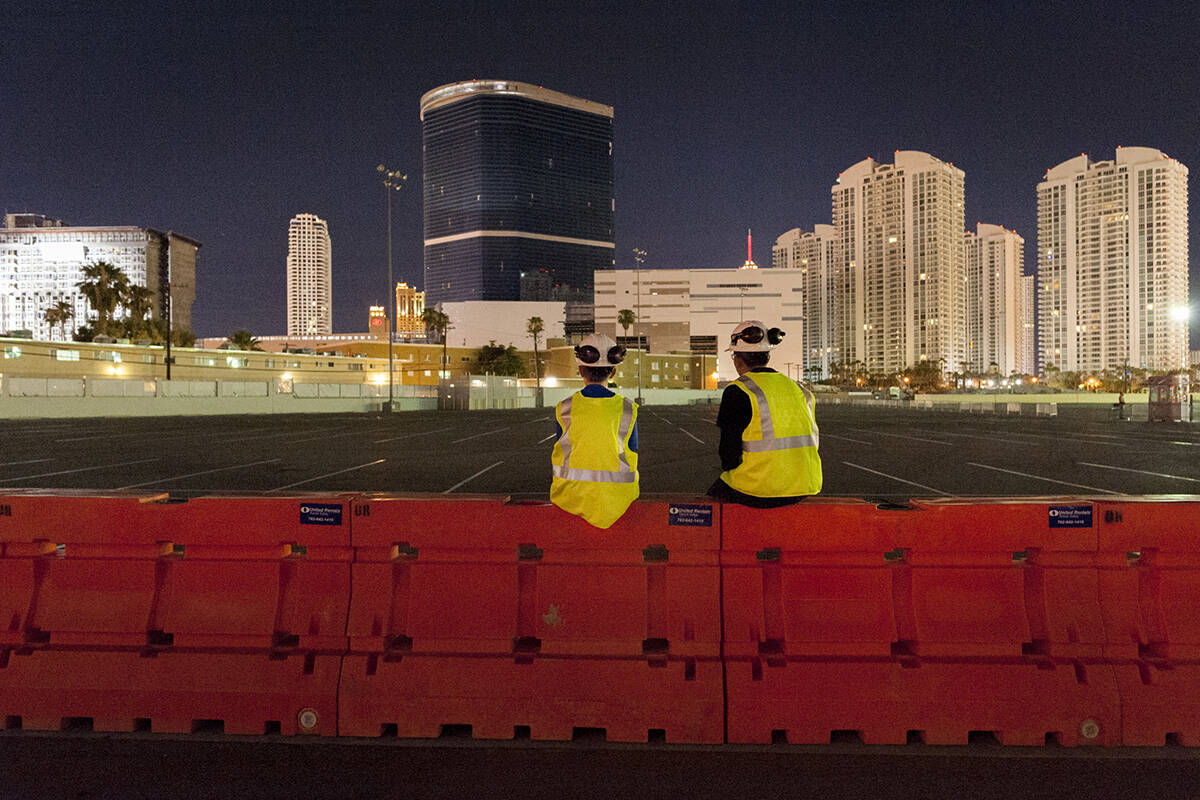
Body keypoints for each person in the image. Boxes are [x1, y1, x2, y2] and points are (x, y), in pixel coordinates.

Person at [707, 320, 822, 507]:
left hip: (761, 489)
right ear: (767, 357)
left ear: (737, 358)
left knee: (714, 498)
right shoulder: (800, 390)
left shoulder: (739, 390)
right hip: (805, 485)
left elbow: (728, 456)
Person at [550, 333, 639, 529]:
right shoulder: (628, 409)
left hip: (570, 497)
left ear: (580, 370)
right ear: (613, 372)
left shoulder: (564, 408)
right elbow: (632, 450)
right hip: (619, 497)